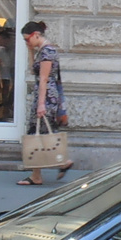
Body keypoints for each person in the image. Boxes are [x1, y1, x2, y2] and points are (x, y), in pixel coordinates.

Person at [18, 20, 73, 186]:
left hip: (46, 97)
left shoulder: (47, 51)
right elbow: (32, 70)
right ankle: (58, 164)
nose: (26, 42)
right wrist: (30, 51)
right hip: (45, 96)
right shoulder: (42, 51)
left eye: (27, 39)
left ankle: (54, 166)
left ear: (36, 35)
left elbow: (43, 79)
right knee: (41, 133)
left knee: (39, 132)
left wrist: (41, 104)